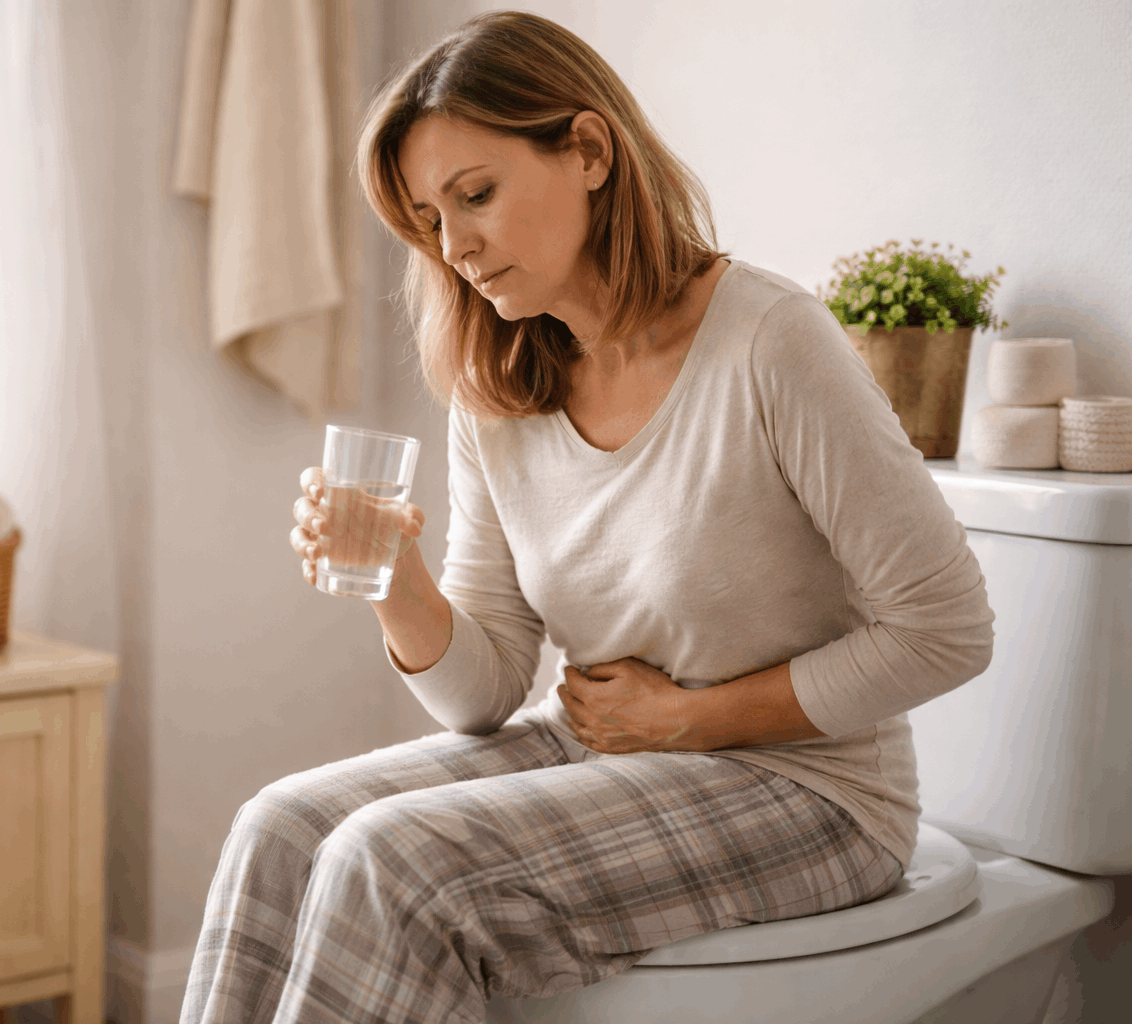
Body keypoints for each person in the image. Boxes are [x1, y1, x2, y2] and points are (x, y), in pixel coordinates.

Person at [180, 10, 995, 1024]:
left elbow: (947, 630)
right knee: (282, 826)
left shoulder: (770, 343)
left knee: (394, 864)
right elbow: (487, 693)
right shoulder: (498, 383)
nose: (456, 245)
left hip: (816, 791)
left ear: (590, 150)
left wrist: (690, 717)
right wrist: (397, 578)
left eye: (476, 195)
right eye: (431, 221)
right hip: (614, 752)